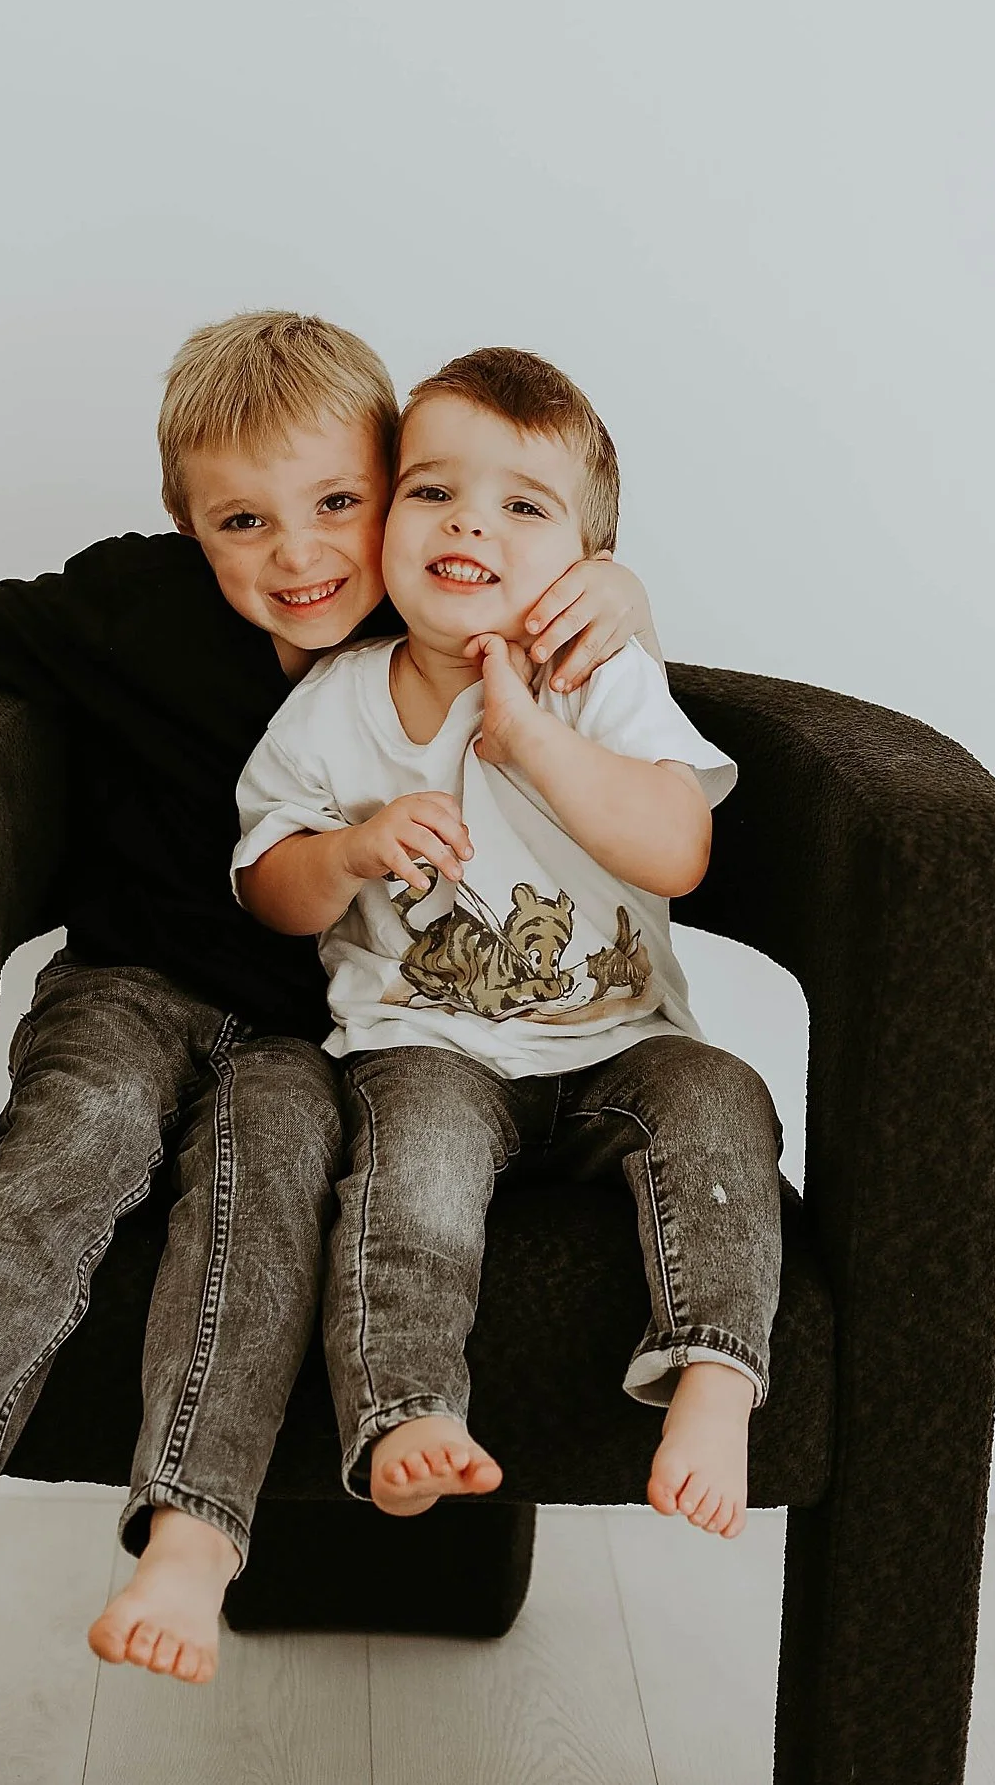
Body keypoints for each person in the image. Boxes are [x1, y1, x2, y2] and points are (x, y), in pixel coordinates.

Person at [0, 311, 660, 1694]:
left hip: (318, 1040)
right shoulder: (143, 599)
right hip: (132, 981)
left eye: (336, 506)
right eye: (242, 520)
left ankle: (191, 1542)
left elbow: (580, 611)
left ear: (394, 492)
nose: (298, 553)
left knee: (265, 1200)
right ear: (188, 524)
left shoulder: (424, 609)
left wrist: (631, 598)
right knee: (64, 1154)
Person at [234, 346, 784, 1541]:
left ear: (588, 565)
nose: (467, 521)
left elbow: (680, 844)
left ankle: (714, 1373)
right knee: (408, 1168)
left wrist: (536, 742)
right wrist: (352, 850)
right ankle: (406, 1409)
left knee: (723, 1098)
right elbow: (268, 886)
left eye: (521, 505)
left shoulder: (596, 676)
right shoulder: (336, 701)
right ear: (385, 522)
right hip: (426, 1048)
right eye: (431, 491)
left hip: (619, 1047)